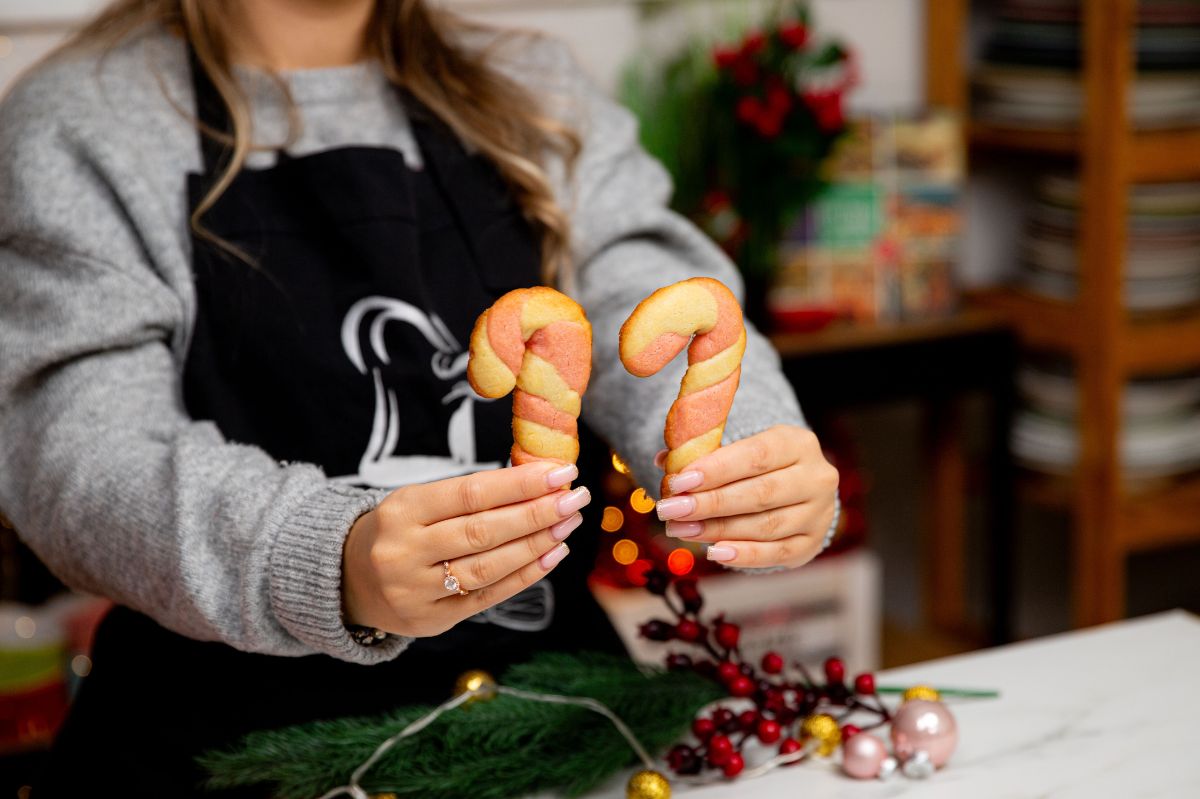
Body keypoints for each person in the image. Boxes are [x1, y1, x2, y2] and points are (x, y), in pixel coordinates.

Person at [0, 0, 840, 795]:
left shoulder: (533, 88)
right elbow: (77, 447)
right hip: (222, 748)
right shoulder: (86, 120)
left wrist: (743, 456)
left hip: (551, 723)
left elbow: (647, 298)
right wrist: (328, 557)